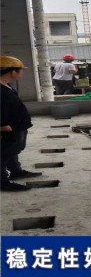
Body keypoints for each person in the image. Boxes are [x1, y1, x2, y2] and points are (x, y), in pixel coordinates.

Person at [1, 56, 42, 191]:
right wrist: (2, 124)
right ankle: (2, 182)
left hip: (17, 125)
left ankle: (15, 171)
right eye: (20, 70)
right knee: (3, 153)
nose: (22, 72)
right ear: (12, 71)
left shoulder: (6, 85)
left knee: (13, 150)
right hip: (8, 127)